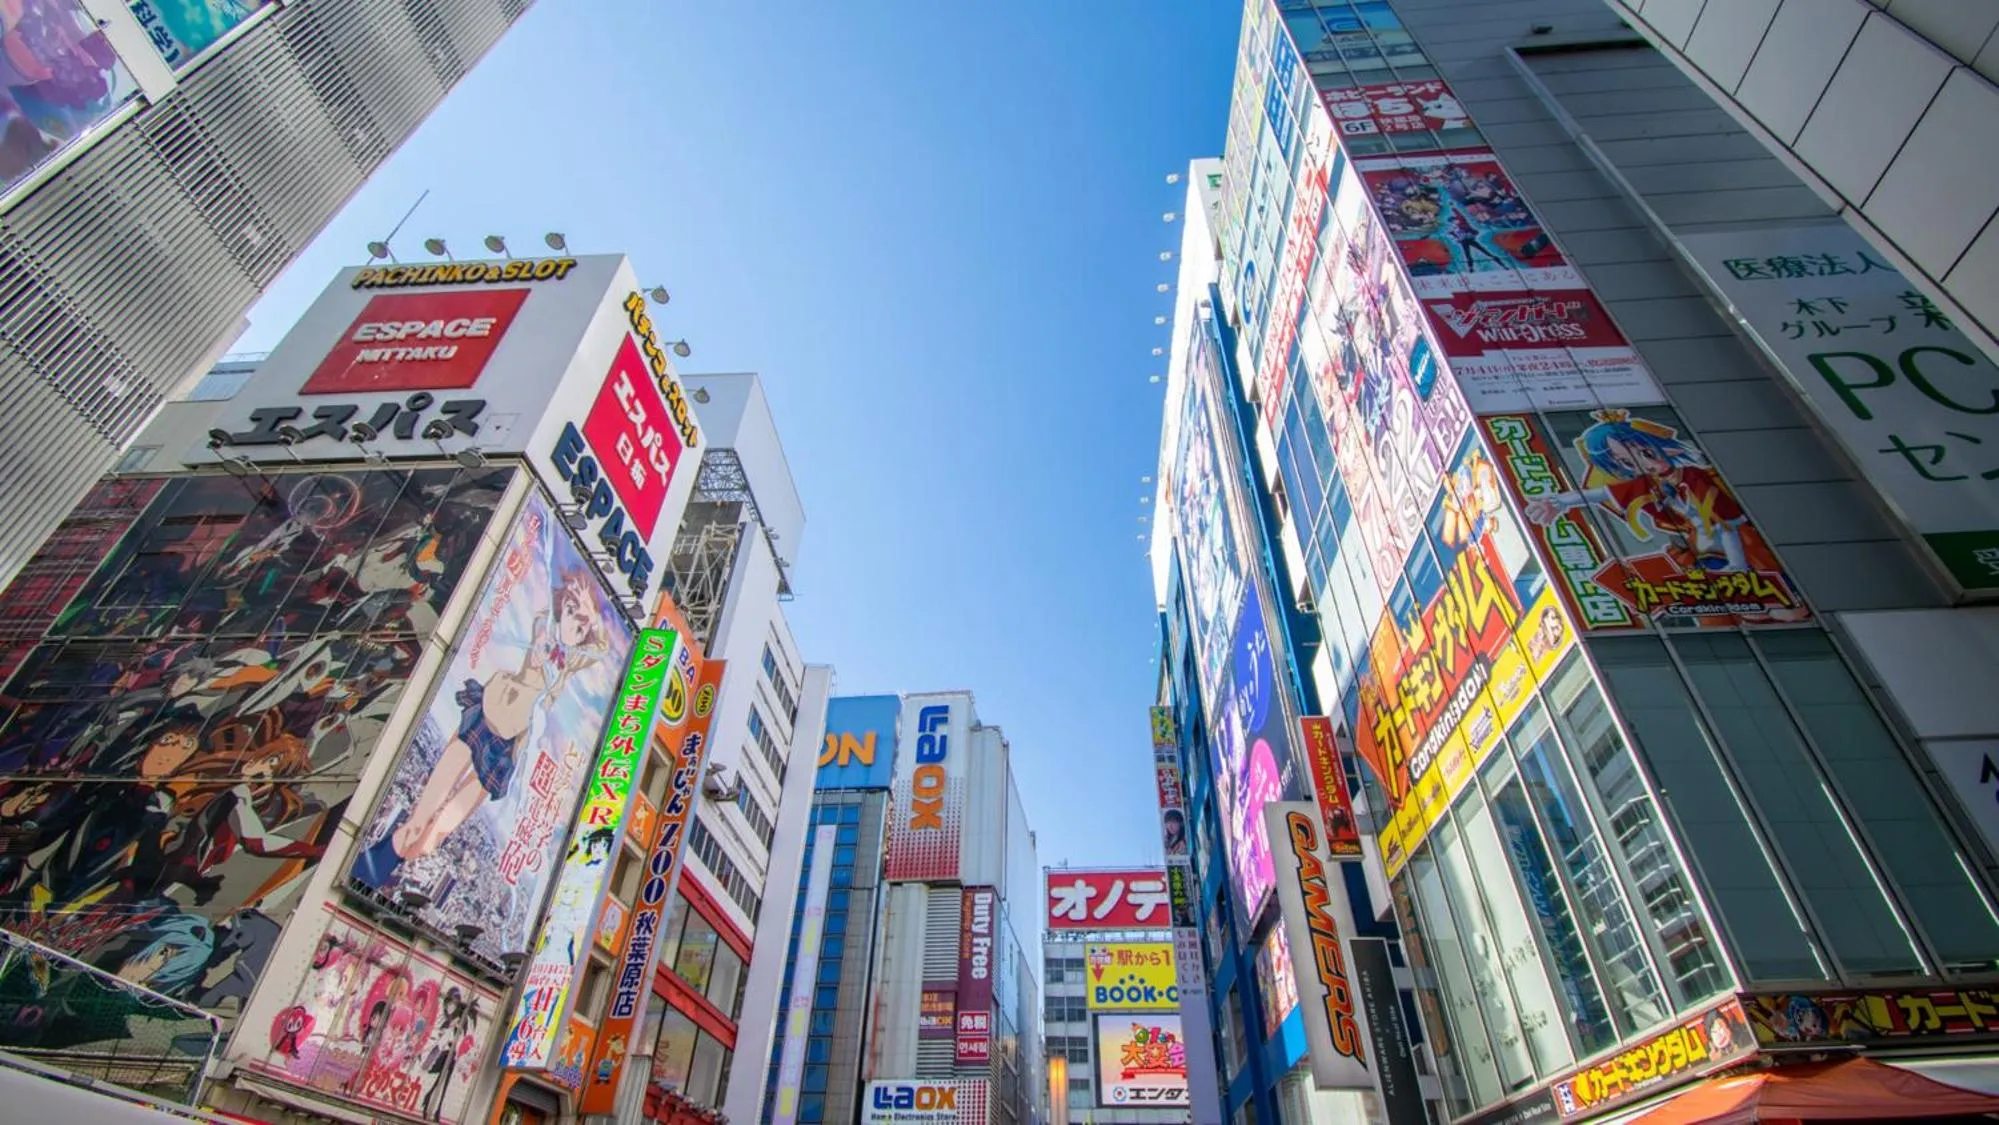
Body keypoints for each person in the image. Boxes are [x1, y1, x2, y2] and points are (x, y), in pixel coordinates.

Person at [354, 569, 609, 887]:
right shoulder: (543, 630)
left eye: (581, 623)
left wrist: (589, 617)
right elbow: (545, 626)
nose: (573, 622)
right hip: (485, 716)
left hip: (505, 750)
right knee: (420, 820)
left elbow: (599, 647)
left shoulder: (571, 664)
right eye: (570, 610)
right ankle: (362, 876)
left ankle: (371, 875)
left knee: (433, 837)